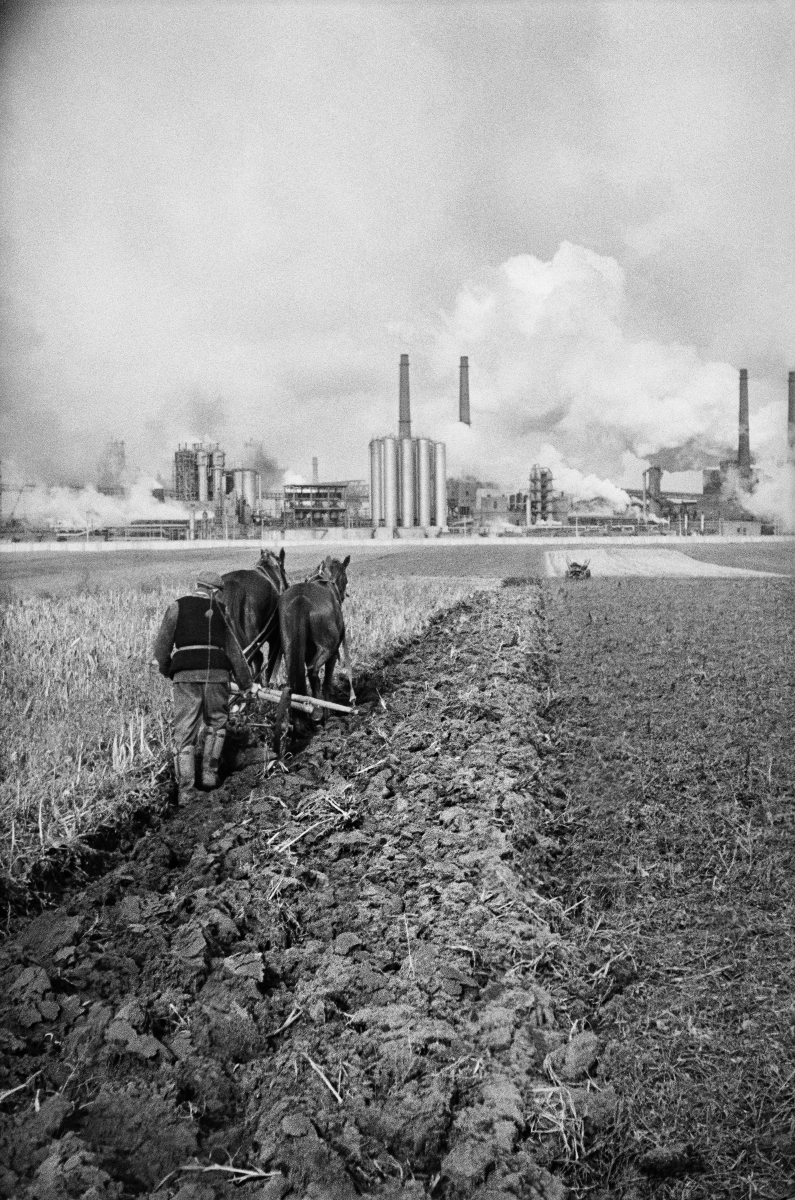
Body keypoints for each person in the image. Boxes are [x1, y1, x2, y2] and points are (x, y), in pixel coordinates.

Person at [152, 570, 252, 801]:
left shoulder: (176, 607)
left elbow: (161, 649)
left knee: (184, 731)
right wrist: (246, 683)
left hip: (185, 674)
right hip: (217, 674)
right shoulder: (221, 611)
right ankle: (209, 775)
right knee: (217, 722)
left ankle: (186, 791)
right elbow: (234, 651)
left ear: (197, 586)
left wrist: (169, 671)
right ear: (214, 591)